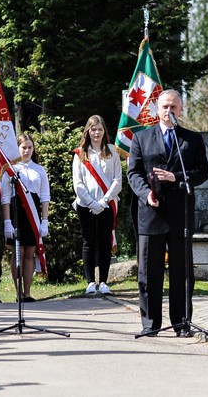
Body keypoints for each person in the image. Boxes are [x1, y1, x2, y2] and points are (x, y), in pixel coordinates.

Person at [127, 89, 208, 337]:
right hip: (151, 212)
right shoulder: (141, 138)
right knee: (149, 272)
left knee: (182, 273)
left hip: (180, 213)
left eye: (173, 107)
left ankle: (182, 323)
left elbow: (202, 171)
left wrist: (178, 176)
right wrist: (145, 194)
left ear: (180, 110)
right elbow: (134, 173)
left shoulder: (191, 139)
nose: (168, 111)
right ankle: (150, 323)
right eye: (164, 106)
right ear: (156, 109)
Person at [72, 115, 122, 296]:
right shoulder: (80, 154)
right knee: (88, 242)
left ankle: (104, 282)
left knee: (104, 242)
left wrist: (104, 201)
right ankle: (90, 282)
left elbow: (117, 180)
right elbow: (77, 183)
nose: (97, 132)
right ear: (88, 131)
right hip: (86, 205)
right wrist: (92, 203)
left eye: (100, 129)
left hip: (107, 205)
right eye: (93, 129)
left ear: (104, 131)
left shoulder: (112, 151)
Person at [0, 133, 50, 302]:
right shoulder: (11, 169)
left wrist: (44, 221)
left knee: (30, 252)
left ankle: (27, 292)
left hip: (34, 214)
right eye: (23, 147)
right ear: (18, 148)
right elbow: (5, 197)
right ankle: (18, 292)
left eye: (30, 147)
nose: (27, 151)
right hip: (16, 213)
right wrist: (7, 222)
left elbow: (44, 197)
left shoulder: (39, 169)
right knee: (18, 252)